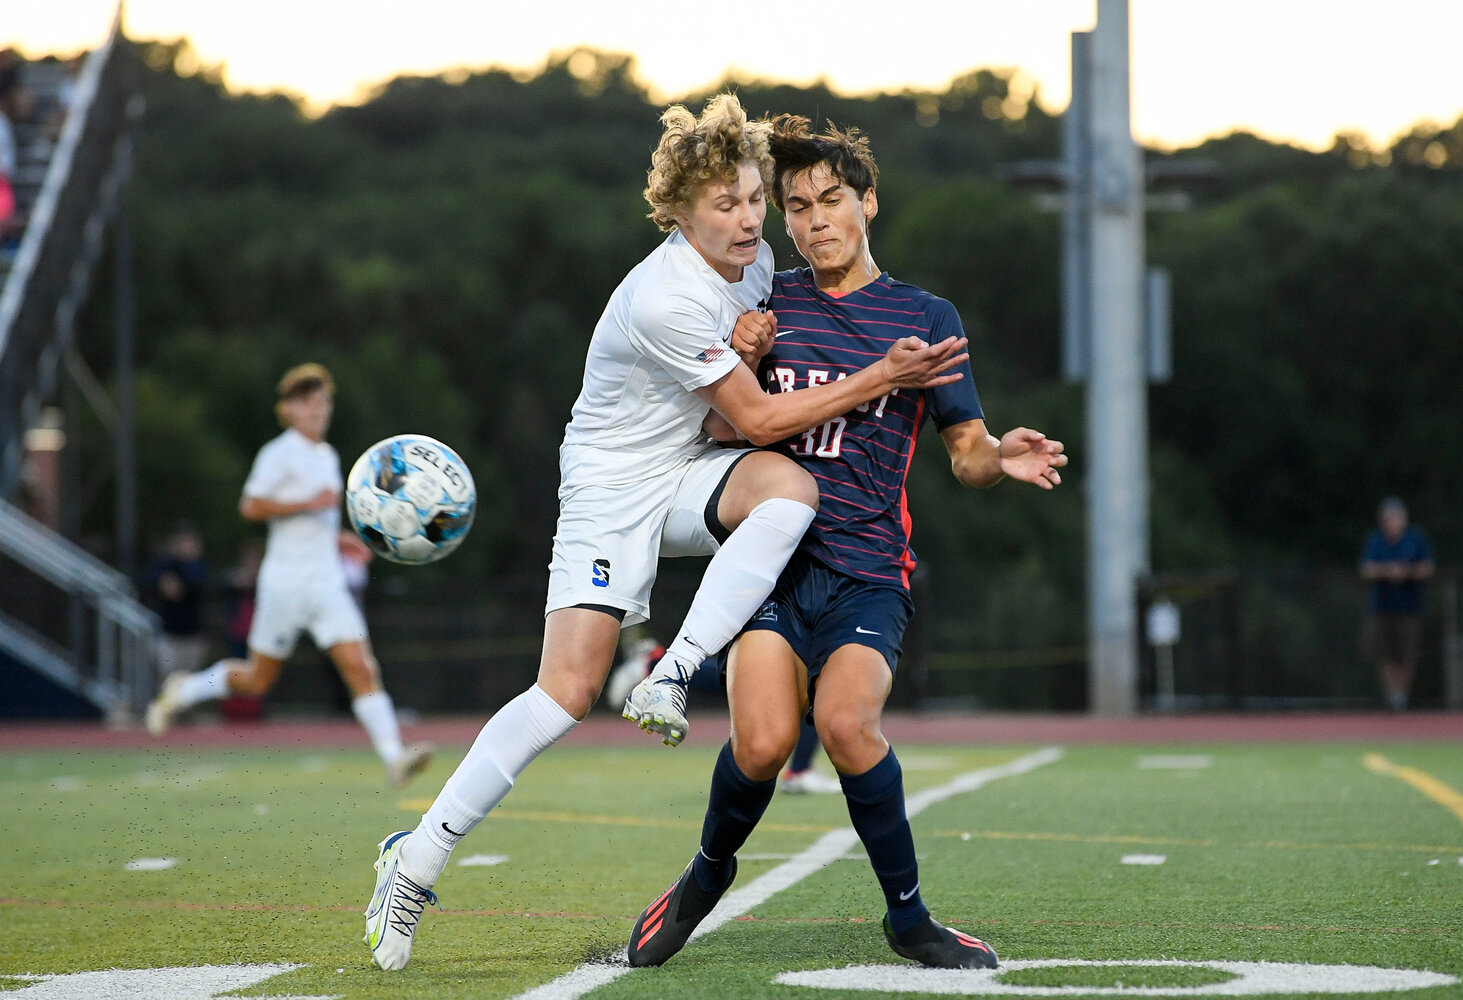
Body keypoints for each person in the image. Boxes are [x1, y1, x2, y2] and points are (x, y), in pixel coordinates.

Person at [360, 93, 969, 972]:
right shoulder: (663, 298)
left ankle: (674, 672)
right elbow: (756, 417)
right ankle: (415, 859)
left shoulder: (756, 262)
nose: (750, 219)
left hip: (686, 470)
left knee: (790, 492)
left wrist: (759, 344)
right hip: (611, 492)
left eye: (757, 198)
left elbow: (740, 425)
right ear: (679, 214)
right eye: (726, 204)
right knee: (563, 694)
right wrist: (875, 373)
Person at [624, 115, 1067, 971]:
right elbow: (717, 425)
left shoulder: (923, 314)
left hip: (868, 573)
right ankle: (703, 879)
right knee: (759, 744)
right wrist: (744, 358)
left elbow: (964, 455)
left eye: (830, 200)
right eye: (795, 205)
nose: (813, 219)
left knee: (845, 724)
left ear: (867, 203)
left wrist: (998, 458)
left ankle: (909, 920)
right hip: (772, 571)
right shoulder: (767, 301)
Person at [146, 363, 435, 789]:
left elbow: (315, 520)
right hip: (283, 585)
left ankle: (394, 758)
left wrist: (341, 540)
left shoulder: (328, 456)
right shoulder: (278, 454)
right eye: (309, 403)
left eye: (324, 401)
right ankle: (185, 690)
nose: (319, 410)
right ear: (290, 409)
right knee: (257, 679)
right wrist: (308, 502)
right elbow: (251, 506)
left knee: (360, 666)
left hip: (327, 584)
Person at [1359, 496, 1434, 711]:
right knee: (1385, 654)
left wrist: (1406, 572)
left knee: (1407, 654)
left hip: (1409, 607)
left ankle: (1402, 696)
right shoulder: (1376, 540)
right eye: (1388, 518)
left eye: (1396, 517)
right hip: (1382, 606)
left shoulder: (1414, 539)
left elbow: (1427, 567)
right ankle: (1392, 697)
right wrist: (1387, 570)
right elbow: (1366, 569)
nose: (1392, 521)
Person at [143, 521, 211, 681]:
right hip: (168, 634)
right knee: (167, 679)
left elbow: (196, 583)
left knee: (189, 683)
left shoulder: (199, 565)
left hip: (193, 636)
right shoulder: (164, 563)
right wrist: (164, 582)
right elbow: (149, 580)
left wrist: (178, 583)